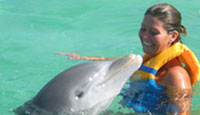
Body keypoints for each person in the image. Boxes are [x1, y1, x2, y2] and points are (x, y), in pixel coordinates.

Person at [56, 3, 200, 115]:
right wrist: (84, 58)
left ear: (173, 36)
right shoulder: (148, 60)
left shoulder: (176, 75)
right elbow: (121, 63)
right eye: (143, 29)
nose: (144, 36)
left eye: (154, 32)